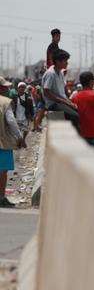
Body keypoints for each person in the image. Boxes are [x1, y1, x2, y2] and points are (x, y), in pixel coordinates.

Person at [0, 77, 26, 208]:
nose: (7, 89)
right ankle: (1, 197)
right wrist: (20, 137)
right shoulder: (5, 102)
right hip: (2, 142)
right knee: (2, 171)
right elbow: (11, 121)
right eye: (5, 87)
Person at [42, 49, 80, 131]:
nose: (67, 63)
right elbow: (46, 92)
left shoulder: (61, 73)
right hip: (53, 104)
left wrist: (70, 102)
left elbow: (63, 90)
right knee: (75, 116)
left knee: (80, 111)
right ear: (58, 61)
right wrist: (66, 102)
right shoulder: (51, 74)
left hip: (61, 102)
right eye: (65, 61)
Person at [71, 72, 94, 150]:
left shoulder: (75, 97)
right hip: (93, 135)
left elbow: (73, 115)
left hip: (79, 135)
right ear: (90, 82)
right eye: (93, 81)